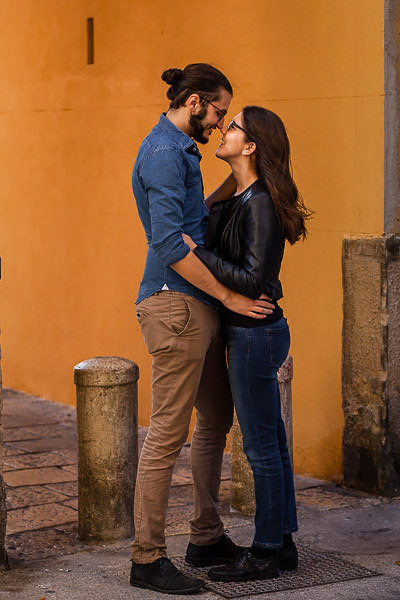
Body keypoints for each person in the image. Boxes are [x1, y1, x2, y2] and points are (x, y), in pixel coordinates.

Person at [130, 64, 274, 595]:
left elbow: (199, 223)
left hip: (197, 306)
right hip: (176, 307)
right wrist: (231, 296)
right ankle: (146, 557)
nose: (218, 125)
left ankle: (206, 536)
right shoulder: (166, 154)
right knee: (167, 434)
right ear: (194, 103)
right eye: (217, 112)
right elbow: (171, 244)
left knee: (216, 418)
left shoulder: (182, 152)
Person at [182, 106, 312, 582]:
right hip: (256, 332)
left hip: (256, 334)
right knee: (271, 443)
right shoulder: (240, 194)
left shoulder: (257, 203)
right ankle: (283, 544)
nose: (221, 129)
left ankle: (263, 554)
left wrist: (200, 255)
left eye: (231, 126)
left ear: (252, 145)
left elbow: (255, 279)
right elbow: (211, 212)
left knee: (259, 447)